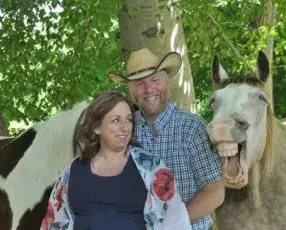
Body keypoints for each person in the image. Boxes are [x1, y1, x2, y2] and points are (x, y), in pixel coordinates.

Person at [109, 48, 225, 230]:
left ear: (167, 81)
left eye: (155, 80)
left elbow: (215, 191)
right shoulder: (124, 132)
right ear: (130, 90)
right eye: (139, 83)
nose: (148, 90)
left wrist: (170, 224)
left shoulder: (192, 128)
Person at [40, 91, 191, 230]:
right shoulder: (72, 171)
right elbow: (54, 222)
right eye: (116, 120)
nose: (125, 128)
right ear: (96, 127)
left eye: (129, 120)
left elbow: (176, 221)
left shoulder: (152, 168)